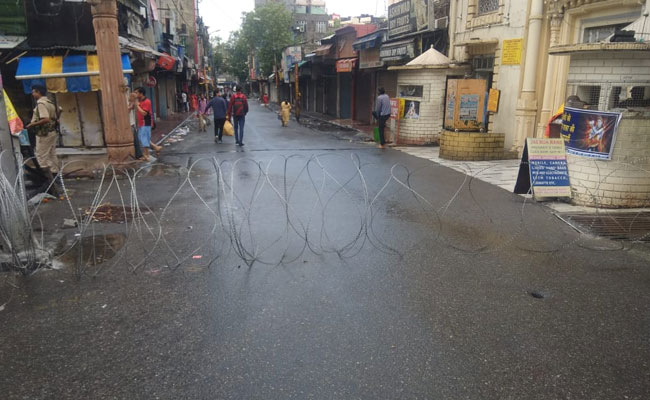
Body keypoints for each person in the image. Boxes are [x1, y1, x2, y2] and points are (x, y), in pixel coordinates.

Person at [25, 84, 62, 196]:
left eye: (33, 92)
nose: (32, 94)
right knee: (51, 155)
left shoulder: (41, 103)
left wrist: (31, 124)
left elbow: (45, 119)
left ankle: (48, 182)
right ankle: (56, 179)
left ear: (38, 92)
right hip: (52, 132)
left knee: (41, 157)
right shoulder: (50, 102)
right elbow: (57, 115)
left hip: (44, 134)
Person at [134, 87, 155, 161]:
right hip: (141, 123)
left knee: (144, 138)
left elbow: (144, 113)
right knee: (141, 138)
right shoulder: (139, 101)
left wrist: (137, 106)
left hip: (146, 122)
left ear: (141, 93)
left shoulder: (147, 101)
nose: (135, 94)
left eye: (136, 93)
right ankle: (147, 154)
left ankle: (147, 155)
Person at [127, 90, 143, 159]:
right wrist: (132, 103)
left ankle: (138, 155)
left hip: (132, 122)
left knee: (136, 140)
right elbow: (127, 110)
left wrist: (133, 103)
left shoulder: (130, 102)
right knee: (134, 140)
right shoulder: (127, 102)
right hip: (129, 123)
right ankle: (138, 155)